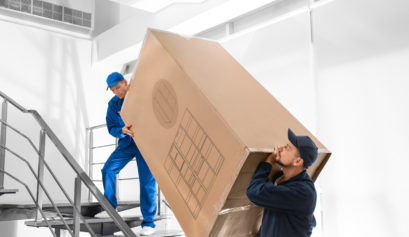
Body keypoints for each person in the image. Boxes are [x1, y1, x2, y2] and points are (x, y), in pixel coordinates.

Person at [95, 72, 157, 236]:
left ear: (125, 82)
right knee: (108, 170)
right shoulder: (113, 104)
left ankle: (149, 222)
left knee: (147, 182)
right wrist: (121, 131)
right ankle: (110, 208)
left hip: (144, 142)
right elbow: (111, 128)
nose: (117, 92)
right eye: (113, 90)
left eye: (118, 88)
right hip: (127, 143)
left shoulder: (140, 93)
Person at [246, 128, 318, 237]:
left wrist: (269, 162)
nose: (280, 148)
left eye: (287, 148)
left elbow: (253, 192)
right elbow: (273, 220)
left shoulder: (303, 192)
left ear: (298, 161)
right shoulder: (279, 180)